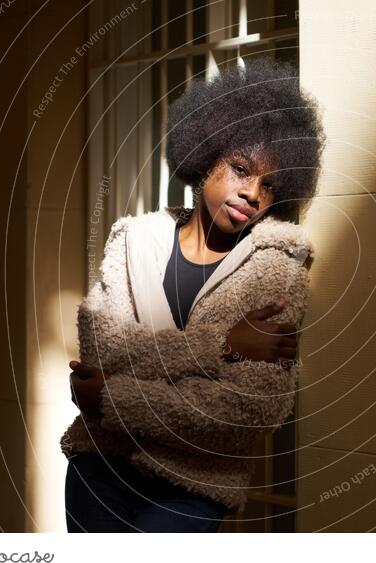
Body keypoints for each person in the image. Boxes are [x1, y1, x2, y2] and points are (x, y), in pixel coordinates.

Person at [60, 58, 325, 533]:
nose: (252, 194)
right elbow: (103, 349)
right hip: (98, 468)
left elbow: (250, 410)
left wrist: (115, 401)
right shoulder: (134, 240)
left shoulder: (276, 268)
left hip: (193, 487)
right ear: (205, 160)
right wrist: (222, 348)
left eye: (269, 185)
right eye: (241, 169)